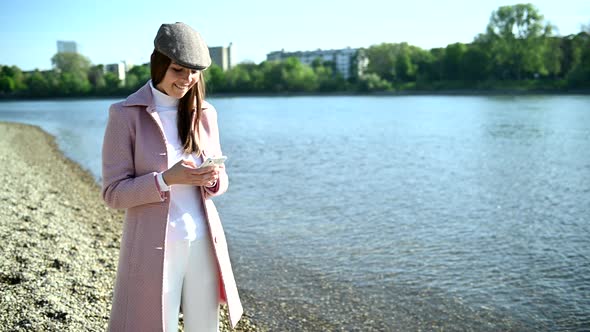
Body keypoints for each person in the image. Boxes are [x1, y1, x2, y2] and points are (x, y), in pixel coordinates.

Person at [101, 22, 243, 331]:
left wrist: (212, 179)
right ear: (159, 63)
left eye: (194, 72)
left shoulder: (205, 113)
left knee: (204, 325)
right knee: (154, 324)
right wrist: (166, 179)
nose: (188, 80)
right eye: (179, 69)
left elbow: (222, 182)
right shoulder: (125, 114)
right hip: (155, 243)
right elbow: (113, 193)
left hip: (204, 238)